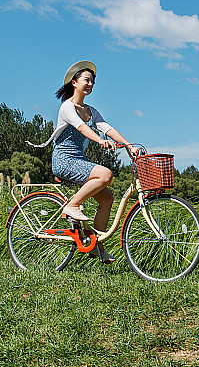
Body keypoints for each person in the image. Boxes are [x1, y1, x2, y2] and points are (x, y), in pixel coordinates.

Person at [28, 60, 139, 263]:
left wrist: (128, 144)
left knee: (107, 199)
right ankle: (71, 206)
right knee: (105, 174)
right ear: (74, 82)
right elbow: (82, 128)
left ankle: (96, 245)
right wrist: (99, 141)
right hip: (64, 160)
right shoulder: (67, 107)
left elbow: (107, 127)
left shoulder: (90, 110)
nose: (90, 84)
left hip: (78, 161)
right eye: (87, 80)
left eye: (93, 82)